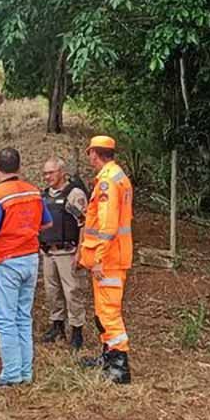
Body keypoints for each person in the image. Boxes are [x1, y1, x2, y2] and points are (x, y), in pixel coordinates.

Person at [0, 148, 52, 387]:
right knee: (22, 317)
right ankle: (25, 372)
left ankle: (12, 374)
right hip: (30, 259)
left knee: (5, 320)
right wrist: (25, 232)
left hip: (6, 262)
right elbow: (47, 224)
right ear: (19, 167)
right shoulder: (33, 191)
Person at [78, 135, 133, 384]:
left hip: (108, 259)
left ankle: (119, 368)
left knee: (109, 312)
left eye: (90, 154)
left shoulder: (107, 183)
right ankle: (108, 356)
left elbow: (108, 225)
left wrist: (98, 257)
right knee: (103, 312)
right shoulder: (117, 177)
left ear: (94, 154)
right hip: (112, 256)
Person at [39, 157, 88, 350]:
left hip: (68, 252)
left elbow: (83, 223)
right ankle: (57, 326)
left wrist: (81, 251)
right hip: (48, 252)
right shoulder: (44, 195)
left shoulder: (73, 194)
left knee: (72, 291)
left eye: (51, 172)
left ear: (62, 172)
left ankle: (76, 331)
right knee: (52, 291)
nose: (47, 176)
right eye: (45, 173)